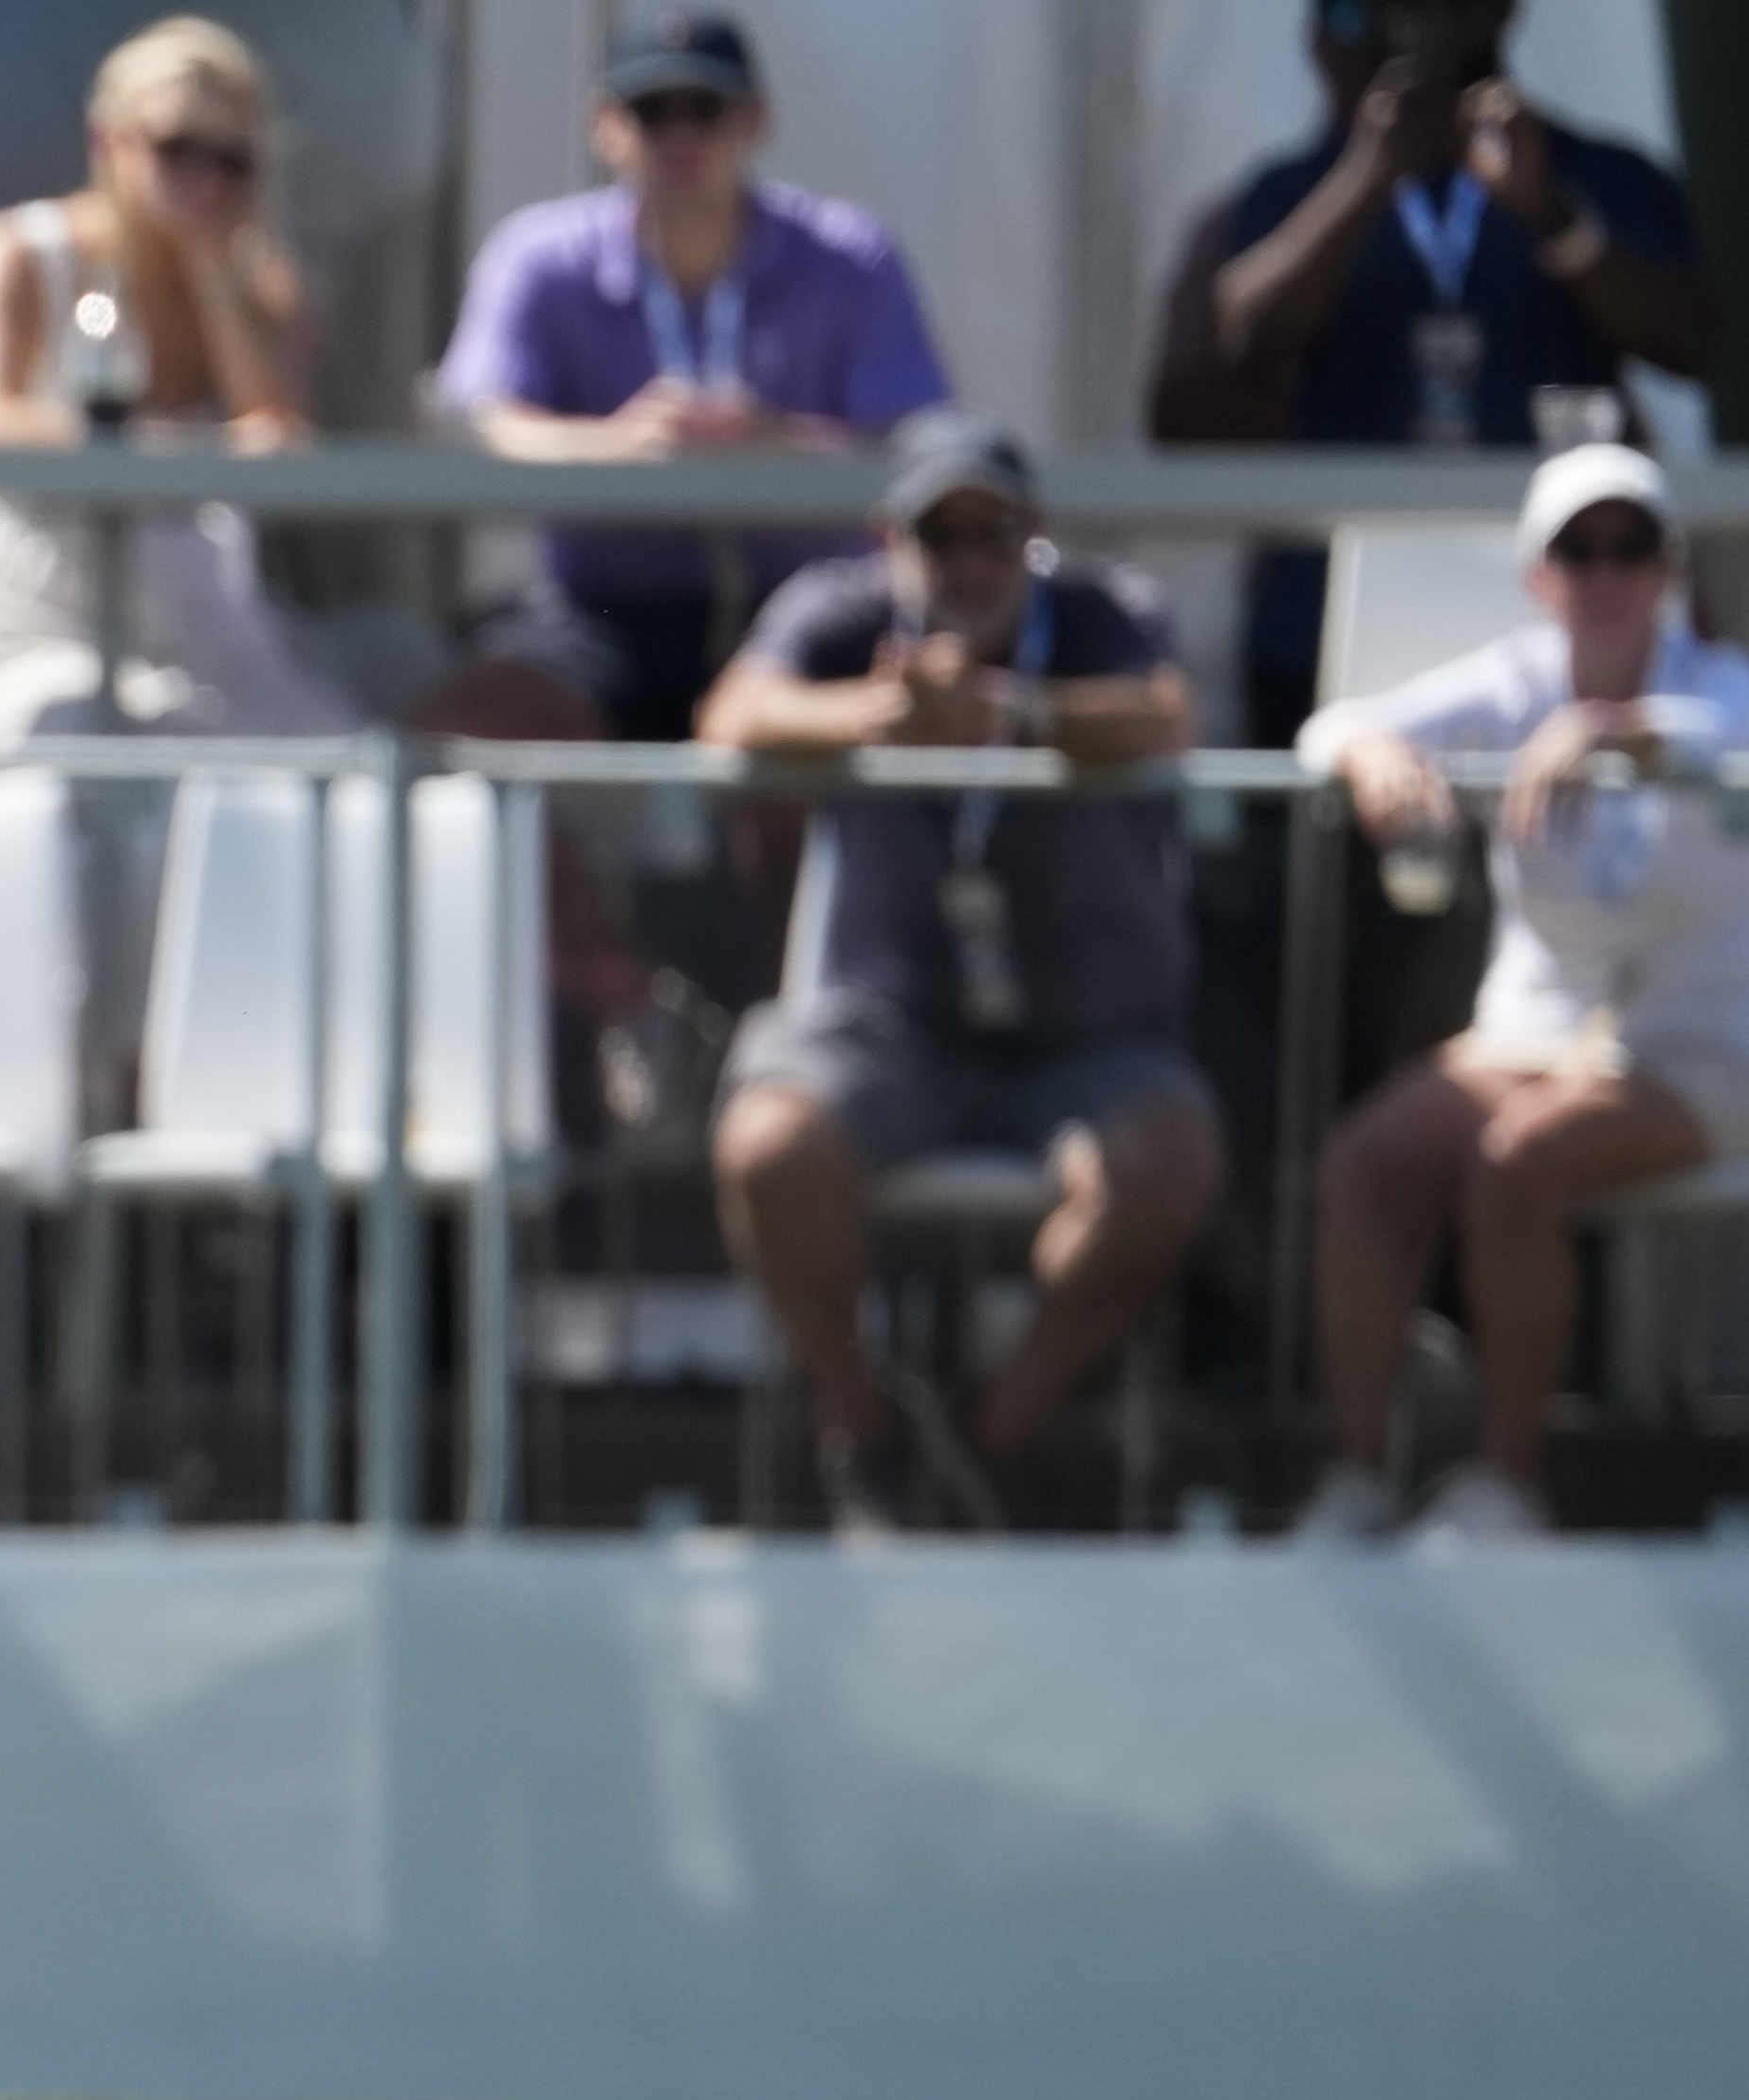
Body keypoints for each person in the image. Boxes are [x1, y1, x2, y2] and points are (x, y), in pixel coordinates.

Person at [692, 414, 1213, 1536]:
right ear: (893, 540)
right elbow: (730, 714)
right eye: (945, 535)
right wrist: (876, 716)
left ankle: (988, 1438)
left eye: (996, 533)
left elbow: (1163, 714)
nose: (972, 561)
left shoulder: (1100, 610)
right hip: (889, 1020)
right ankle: (867, 1440)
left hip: (1085, 1033)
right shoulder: (839, 615)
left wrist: (1012, 716)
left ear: (1036, 535)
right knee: (766, 1148)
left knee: (1164, 1169)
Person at [1293, 440, 1749, 1547]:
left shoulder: (1722, 689)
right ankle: (1360, 1477)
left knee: (1515, 1167)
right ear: (1539, 575)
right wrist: (1369, 757)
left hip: (1705, 1047)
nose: (1604, 574)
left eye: (1629, 548)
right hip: (1533, 1035)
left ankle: (1507, 1485)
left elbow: (1726, 742)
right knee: (1362, 1163)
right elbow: (1331, 725)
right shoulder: (1512, 678)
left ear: (1666, 572)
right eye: (1578, 550)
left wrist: (1616, 734)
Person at [1157, 0, 1711, 752]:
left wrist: (1550, 215)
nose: (1414, 21)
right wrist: (1367, 177)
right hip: (1327, 624)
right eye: (1365, 10)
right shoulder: (1295, 189)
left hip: (1556, 630)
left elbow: (1688, 340)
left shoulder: (1595, 175)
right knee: (1331, 858)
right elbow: (1239, 342)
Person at [426, 9, 949, 747]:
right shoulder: (538, 256)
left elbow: (916, 449)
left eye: (704, 109)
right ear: (605, 125)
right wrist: (620, 444)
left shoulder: (849, 255)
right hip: (601, 607)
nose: (679, 135)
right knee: (485, 723)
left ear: (754, 120)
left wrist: (775, 444)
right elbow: (479, 421)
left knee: (829, 732)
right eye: (650, 110)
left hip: (804, 601)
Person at [0, 16, 350, 748]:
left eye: (232, 159)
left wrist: (212, 279)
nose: (205, 179)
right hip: (8, 614)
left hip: (189, 623)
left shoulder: (259, 283)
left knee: (335, 767)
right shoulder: (16, 252)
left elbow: (279, 441)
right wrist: (163, 451)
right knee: (89, 745)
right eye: (178, 150)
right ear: (110, 142)